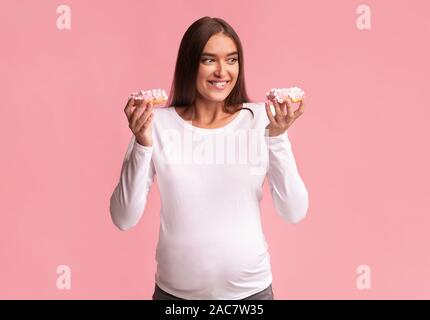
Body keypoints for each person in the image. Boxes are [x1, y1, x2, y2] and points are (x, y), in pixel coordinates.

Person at [109, 16, 309, 300]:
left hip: (252, 296)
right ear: (190, 64)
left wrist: (276, 139)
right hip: (174, 299)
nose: (222, 71)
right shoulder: (156, 125)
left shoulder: (262, 120)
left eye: (231, 59)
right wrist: (142, 145)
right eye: (208, 60)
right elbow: (123, 217)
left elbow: (294, 211)